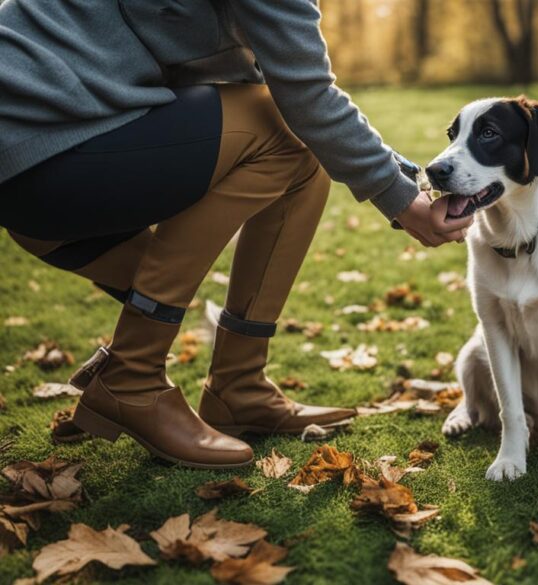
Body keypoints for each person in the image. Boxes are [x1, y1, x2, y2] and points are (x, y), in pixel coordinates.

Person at [0, 0, 473, 469]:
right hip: (44, 146)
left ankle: (239, 387)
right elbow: (304, 98)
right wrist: (401, 201)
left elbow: (281, 84)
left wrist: (406, 178)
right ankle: (132, 377)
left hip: (37, 162)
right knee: (287, 137)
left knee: (300, 152)